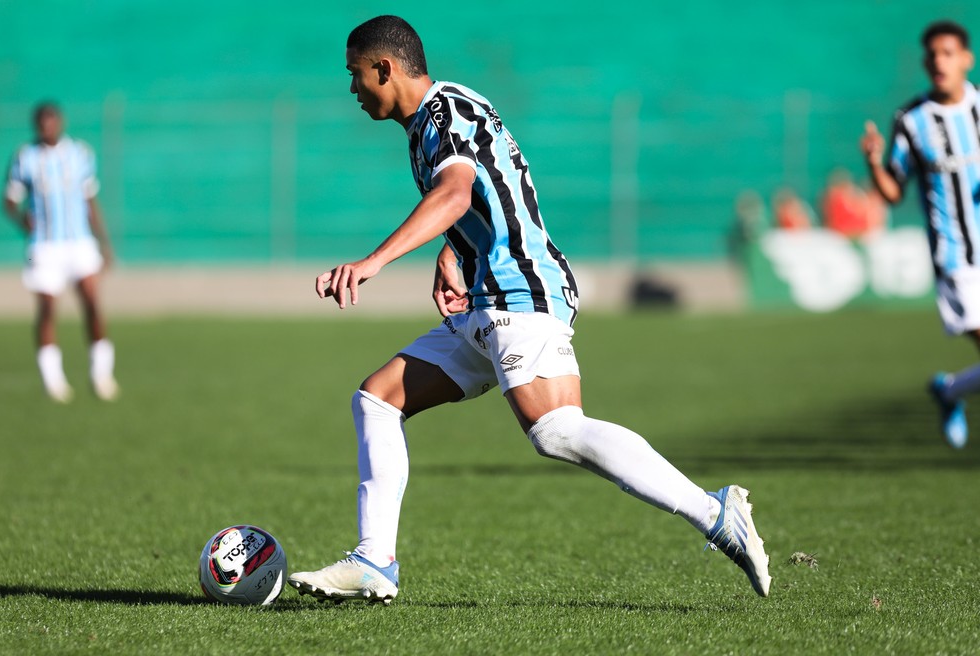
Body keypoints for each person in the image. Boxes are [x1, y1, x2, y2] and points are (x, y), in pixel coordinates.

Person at [287, 15, 771, 604]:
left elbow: (455, 193)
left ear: (384, 68)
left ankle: (715, 513)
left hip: (520, 292)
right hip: (487, 298)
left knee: (557, 429)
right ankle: (374, 561)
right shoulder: (436, 120)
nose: (352, 87)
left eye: (355, 73)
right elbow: (488, 191)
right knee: (378, 400)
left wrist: (373, 261)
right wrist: (454, 251)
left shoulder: (443, 114)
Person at [861, 19, 980, 448]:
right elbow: (893, 192)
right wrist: (874, 164)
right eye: (932, 55)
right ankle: (949, 391)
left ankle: (949, 390)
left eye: (948, 53)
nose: (939, 62)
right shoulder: (912, 121)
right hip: (956, 257)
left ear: (966, 59)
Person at [2, 102, 119, 403]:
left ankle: (101, 373)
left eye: (51, 121)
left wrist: (103, 242)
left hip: (80, 241)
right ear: (36, 125)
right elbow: (9, 200)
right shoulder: (25, 157)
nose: (47, 127)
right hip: (42, 246)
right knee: (47, 308)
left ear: (60, 122)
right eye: (42, 122)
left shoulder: (80, 153)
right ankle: (52, 379)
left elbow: (90, 200)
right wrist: (22, 219)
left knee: (92, 301)